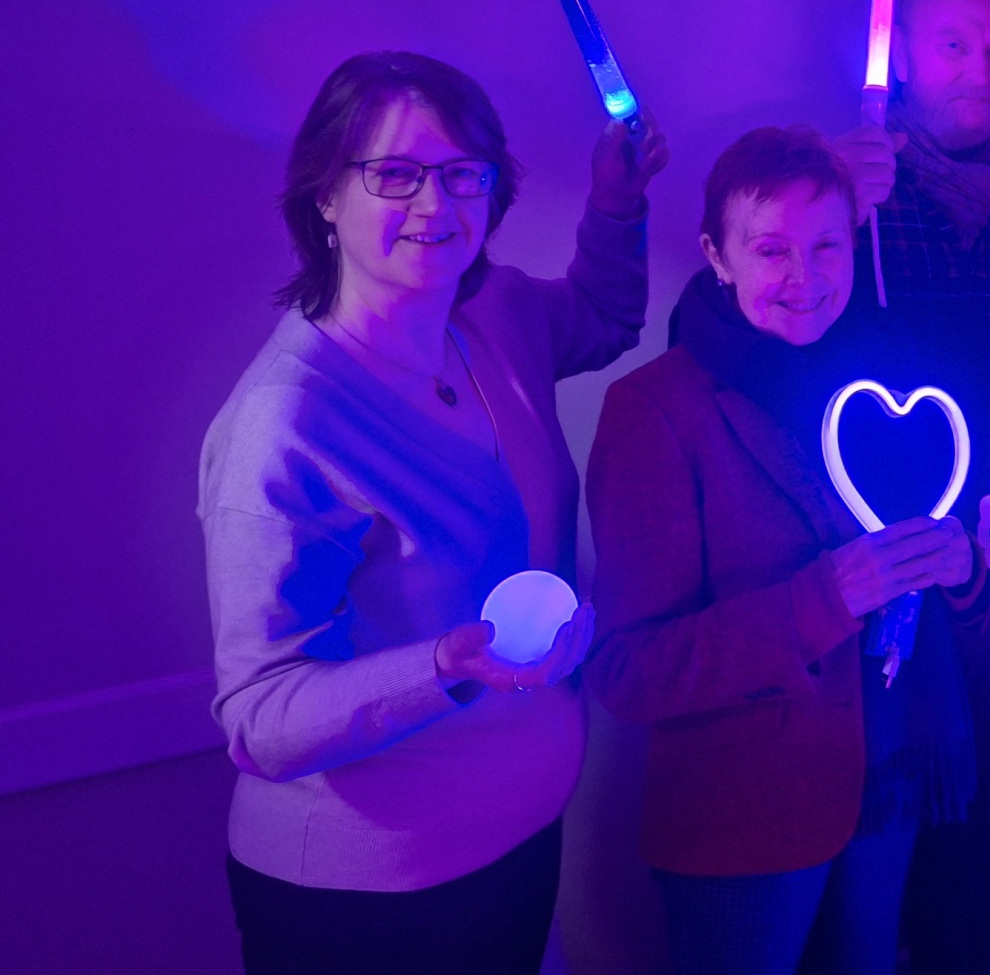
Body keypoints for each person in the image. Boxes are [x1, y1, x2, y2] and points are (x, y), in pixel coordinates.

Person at [199, 50, 669, 975]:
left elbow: (603, 316)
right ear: (325, 194)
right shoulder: (288, 421)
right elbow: (260, 715)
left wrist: (617, 202)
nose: (434, 202)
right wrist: (442, 664)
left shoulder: (491, 316)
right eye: (395, 173)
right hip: (366, 901)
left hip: (518, 845)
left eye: (462, 173)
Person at [584, 125, 990, 975]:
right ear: (717, 256)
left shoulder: (894, 377)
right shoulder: (655, 409)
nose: (804, 277)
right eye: (771, 249)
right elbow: (629, 670)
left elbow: (948, 549)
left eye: (826, 246)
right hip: (746, 807)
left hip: (887, 772)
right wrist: (824, 598)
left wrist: (963, 569)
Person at [831, 0, 990, 975]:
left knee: (980, 835)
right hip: (877, 577)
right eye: (953, 45)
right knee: (865, 841)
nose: (979, 67)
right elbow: (748, 338)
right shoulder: (852, 199)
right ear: (903, 62)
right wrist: (838, 208)